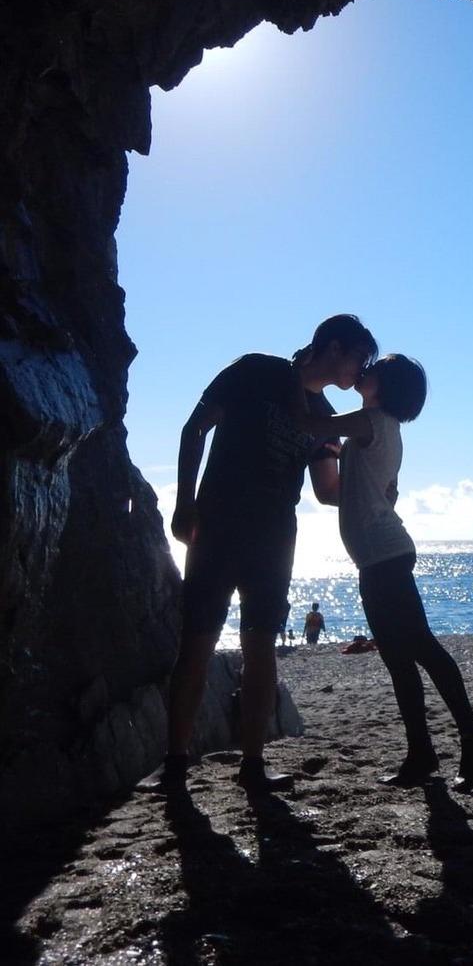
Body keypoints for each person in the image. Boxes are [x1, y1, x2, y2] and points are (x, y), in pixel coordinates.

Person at [138, 314, 377, 795]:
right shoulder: (253, 370)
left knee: (261, 646)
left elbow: (327, 491)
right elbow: (194, 429)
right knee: (197, 642)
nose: (363, 369)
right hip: (217, 524)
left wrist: (373, 479)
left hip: (274, 538)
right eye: (360, 357)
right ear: (333, 348)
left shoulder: (325, 414)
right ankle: (175, 763)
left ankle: (253, 766)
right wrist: (185, 503)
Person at [317, 354, 473, 790]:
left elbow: (313, 425)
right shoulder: (382, 427)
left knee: (419, 647)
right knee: (400, 658)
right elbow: (347, 491)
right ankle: (422, 752)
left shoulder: (370, 420)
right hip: (378, 556)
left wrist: (309, 381)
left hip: (384, 555)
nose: (364, 370)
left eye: (373, 368)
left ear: (385, 385)